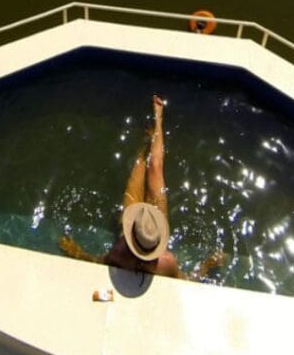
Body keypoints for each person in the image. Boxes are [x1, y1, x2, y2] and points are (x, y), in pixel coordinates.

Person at [59, 94, 224, 281]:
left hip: (139, 220)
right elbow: (187, 280)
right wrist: (207, 265)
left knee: (140, 164)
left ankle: (146, 141)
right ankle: (158, 123)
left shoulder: (119, 254)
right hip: (151, 222)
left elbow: (96, 261)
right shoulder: (166, 263)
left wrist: (76, 251)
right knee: (155, 167)